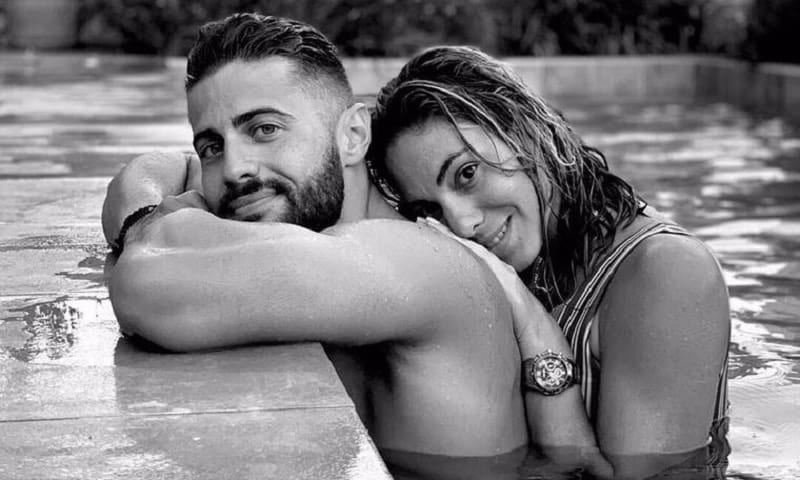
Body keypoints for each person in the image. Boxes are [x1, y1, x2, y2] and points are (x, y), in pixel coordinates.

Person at [103, 13, 548, 461]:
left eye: (265, 130)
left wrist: (154, 230)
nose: (235, 168)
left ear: (352, 135)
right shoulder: (309, 221)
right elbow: (156, 169)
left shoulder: (420, 260)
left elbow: (147, 286)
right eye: (213, 146)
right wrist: (147, 216)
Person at [367, 45, 731, 478]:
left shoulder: (667, 272)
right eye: (430, 210)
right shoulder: (521, 266)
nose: (462, 224)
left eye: (467, 173)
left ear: (526, 130)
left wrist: (536, 332)